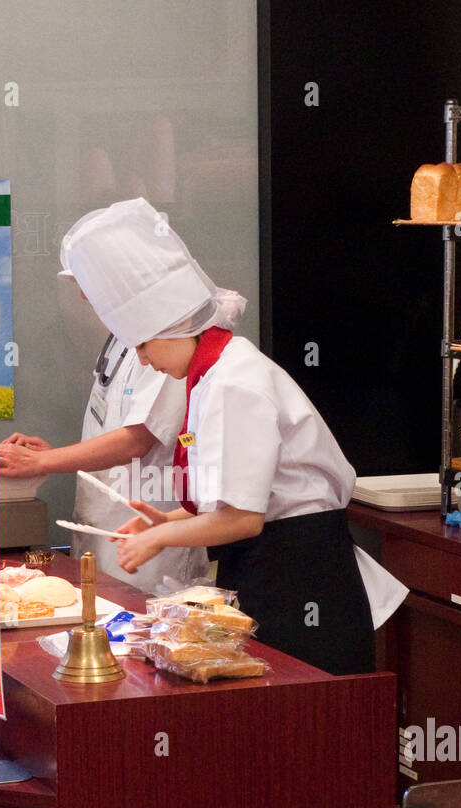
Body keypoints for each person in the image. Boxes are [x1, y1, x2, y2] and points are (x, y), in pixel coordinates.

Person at [59, 198, 406, 675]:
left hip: (300, 576)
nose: (141, 360)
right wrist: (164, 520)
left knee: (306, 722)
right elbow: (228, 494)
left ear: (177, 327)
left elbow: (243, 517)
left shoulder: (235, 380)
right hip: (265, 567)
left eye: (143, 344)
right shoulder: (208, 376)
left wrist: (159, 541)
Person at [0, 324, 209, 592]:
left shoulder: (166, 347)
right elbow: (109, 424)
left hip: (145, 529)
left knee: (142, 619)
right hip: (103, 521)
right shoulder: (121, 338)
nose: (143, 357)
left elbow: (137, 439)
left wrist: (41, 462)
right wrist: (53, 456)